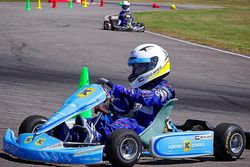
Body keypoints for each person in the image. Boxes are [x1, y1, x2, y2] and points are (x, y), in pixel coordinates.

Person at [75, 44, 175, 143]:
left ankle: (97, 138)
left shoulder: (165, 89)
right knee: (104, 120)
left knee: (123, 123)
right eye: (135, 68)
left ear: (155, 65)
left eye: (140, 67)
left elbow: (150, 98)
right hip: (136, 125)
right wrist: (108, 103)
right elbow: (123, 108)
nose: (136, 71)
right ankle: (72, 134)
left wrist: (125, 91)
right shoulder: (140, 89)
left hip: (149, 130)